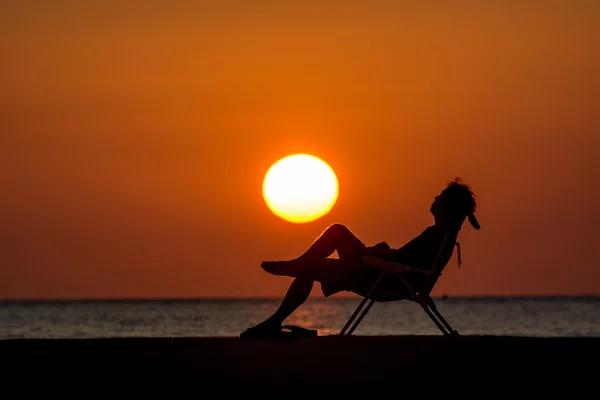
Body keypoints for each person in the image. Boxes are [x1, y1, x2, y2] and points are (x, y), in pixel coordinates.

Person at [240, 177, 480, 338]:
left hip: (382, 279)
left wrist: (371, 253)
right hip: (384, 275)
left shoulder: (438, 234)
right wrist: (378, 253)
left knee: (335, 234)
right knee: (317, 261)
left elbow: (403, 258)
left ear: (448, 206)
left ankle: (294, 272)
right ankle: (288, 292)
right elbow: (418, 266)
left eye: (439, 197)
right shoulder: (441, 234)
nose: (435, 199)